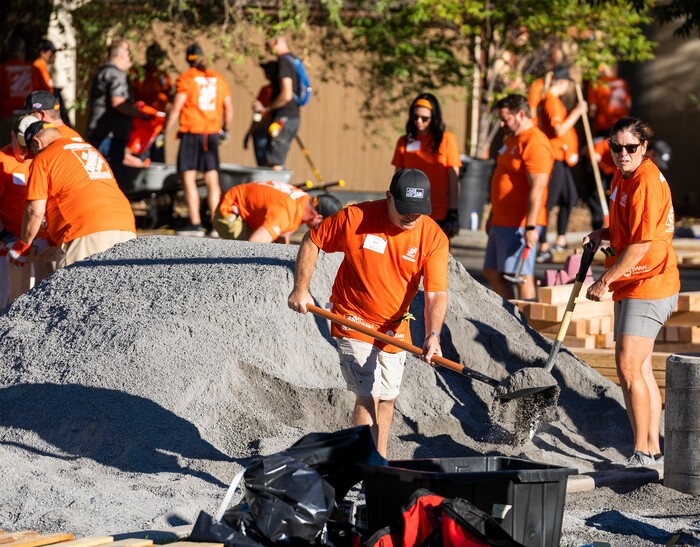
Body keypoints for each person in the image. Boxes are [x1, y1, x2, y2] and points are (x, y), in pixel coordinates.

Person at [287, 168, 449, 457]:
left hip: (394, 327)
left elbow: (435, 293)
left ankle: (379, 467)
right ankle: (361, 467)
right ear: (388, 198)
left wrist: (433, 334)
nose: (412, 218)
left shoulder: (433, 237)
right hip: (353, 318)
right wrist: (301, 288)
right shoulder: (356, 219)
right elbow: (313, 240)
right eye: (405, 211)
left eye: (418, 212)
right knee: (369, 393)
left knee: (387, 398)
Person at [584, 117, 679, 468]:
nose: (622, 154)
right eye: (616, 147)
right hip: (633, 281)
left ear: (644, 148)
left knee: (626, 365)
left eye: (630, 148)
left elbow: (640, 245)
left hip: (650, 282)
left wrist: (604, 280)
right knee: (638, 367)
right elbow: (626, 229)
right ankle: (653, 449)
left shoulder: (647, 183)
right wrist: (601, 233)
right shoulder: (621, 177)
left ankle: (642, 452)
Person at [7, 120, 136, 270]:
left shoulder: (43, 159)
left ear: (36, 144)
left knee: (76, 290)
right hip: (125, 227)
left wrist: (22, 246)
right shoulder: (90, 150)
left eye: (32, 152)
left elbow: (35, 211)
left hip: (83, 231)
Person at [483, 94, 554, 300]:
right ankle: (510, 318)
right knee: (492, 271)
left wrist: (531, 227)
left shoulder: (536, 142)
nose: (503, 123)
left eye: (506, 119)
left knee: (522, 275)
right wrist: (491, 216)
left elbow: (538, 188)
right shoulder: (512, 139)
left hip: (521, 223)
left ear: (521, 114)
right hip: (502, 220)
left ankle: (525, 324)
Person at [165, 43, 233, 237]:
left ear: (188, 59)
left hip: (192, 132)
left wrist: (164, 129)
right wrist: (225, 129)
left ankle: (195, 223)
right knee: (212, 180)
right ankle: (215, 224)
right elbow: (229, 109)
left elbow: (177, 107)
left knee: (188, 178)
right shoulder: (219, 79)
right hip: (211, 133)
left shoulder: (186, 79)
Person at [0, 115, 55, 306]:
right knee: (9, 297)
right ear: (12, 135)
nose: (25, 151)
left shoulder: (43, 158)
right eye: (21, 145)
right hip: (12, 241)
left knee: (43, 294)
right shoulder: (2, 161)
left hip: (44, 240)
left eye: (29, 146)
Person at [391, 93, 462, 238]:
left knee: (438, 257)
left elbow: (454, 179)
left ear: (434, 118)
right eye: (415, 117)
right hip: (409, 211)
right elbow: (397, 178)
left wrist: (453, 211)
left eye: (425, 118)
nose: (419, 121)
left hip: (439, 211)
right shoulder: (405, 141)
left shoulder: (446, 139)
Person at [536, 64, 587, 262]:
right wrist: (577, 112)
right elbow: (558, 130)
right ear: (563, 82)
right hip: (554, 157)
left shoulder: (553, 100)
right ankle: (542, 244)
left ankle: (560, 239)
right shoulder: (550, 100)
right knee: (548, 203)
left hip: (562, 158)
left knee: (570, 198)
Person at [85, 39, 150, 186]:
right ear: (121, 56)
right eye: (129, 55)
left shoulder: (101, 71)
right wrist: (141, 115)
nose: (130, 60)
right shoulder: (116, 74)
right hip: (110, 135)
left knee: (96, 175)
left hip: (98, 132)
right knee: (109, 179)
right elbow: (118, 102)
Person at [214, 180, 342, 242]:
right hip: (230, 210)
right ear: (318, 218)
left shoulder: (302, 197)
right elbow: (253, 244)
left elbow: (282, 234)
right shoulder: (286, 215)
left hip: (243, 202)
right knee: (244, 254)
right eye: (325, 227)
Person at [253, 36, 300, 170]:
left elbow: (286, 95)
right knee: (274, 159)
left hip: (284, 118)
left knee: (275, 164)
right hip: (288, 117)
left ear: (277, 42)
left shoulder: (284, 62)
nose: (267, 47)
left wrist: (266, 108)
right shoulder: (292, 60)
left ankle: (278, 190)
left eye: (268, 44)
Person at [131, 42, 173, 163]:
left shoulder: (162, 76)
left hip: (157, 124)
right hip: (141, 123)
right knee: (140, 154)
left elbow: (171, 97)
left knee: (157, 155)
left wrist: (166, 123)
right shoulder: (138, 73)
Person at [0, 37, 33, 148]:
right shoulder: (34, 70)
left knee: (5, 155)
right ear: (23, 52)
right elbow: (45, 95)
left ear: (8, 53)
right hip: (30, 121)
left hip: (6, 121)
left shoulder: (1, 70)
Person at [14, 90, 82, 141]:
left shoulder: (49, 140)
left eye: (29, 115)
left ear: (41, 115)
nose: (26, 119)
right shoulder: (74, 136)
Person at [244, 61, 277, 167]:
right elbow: (257, 114)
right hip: (271, 131)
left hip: (263, 130)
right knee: (274, 162)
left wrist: (251, 131)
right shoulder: (276, 92)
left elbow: (258, 115)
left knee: (265, 165)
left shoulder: (267, 91)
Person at [586, 63, 631, 137]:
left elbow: (592, 109)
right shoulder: (622, 82)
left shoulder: (596, 84)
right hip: (623, 124)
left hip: (604, 126)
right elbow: (628, 104)